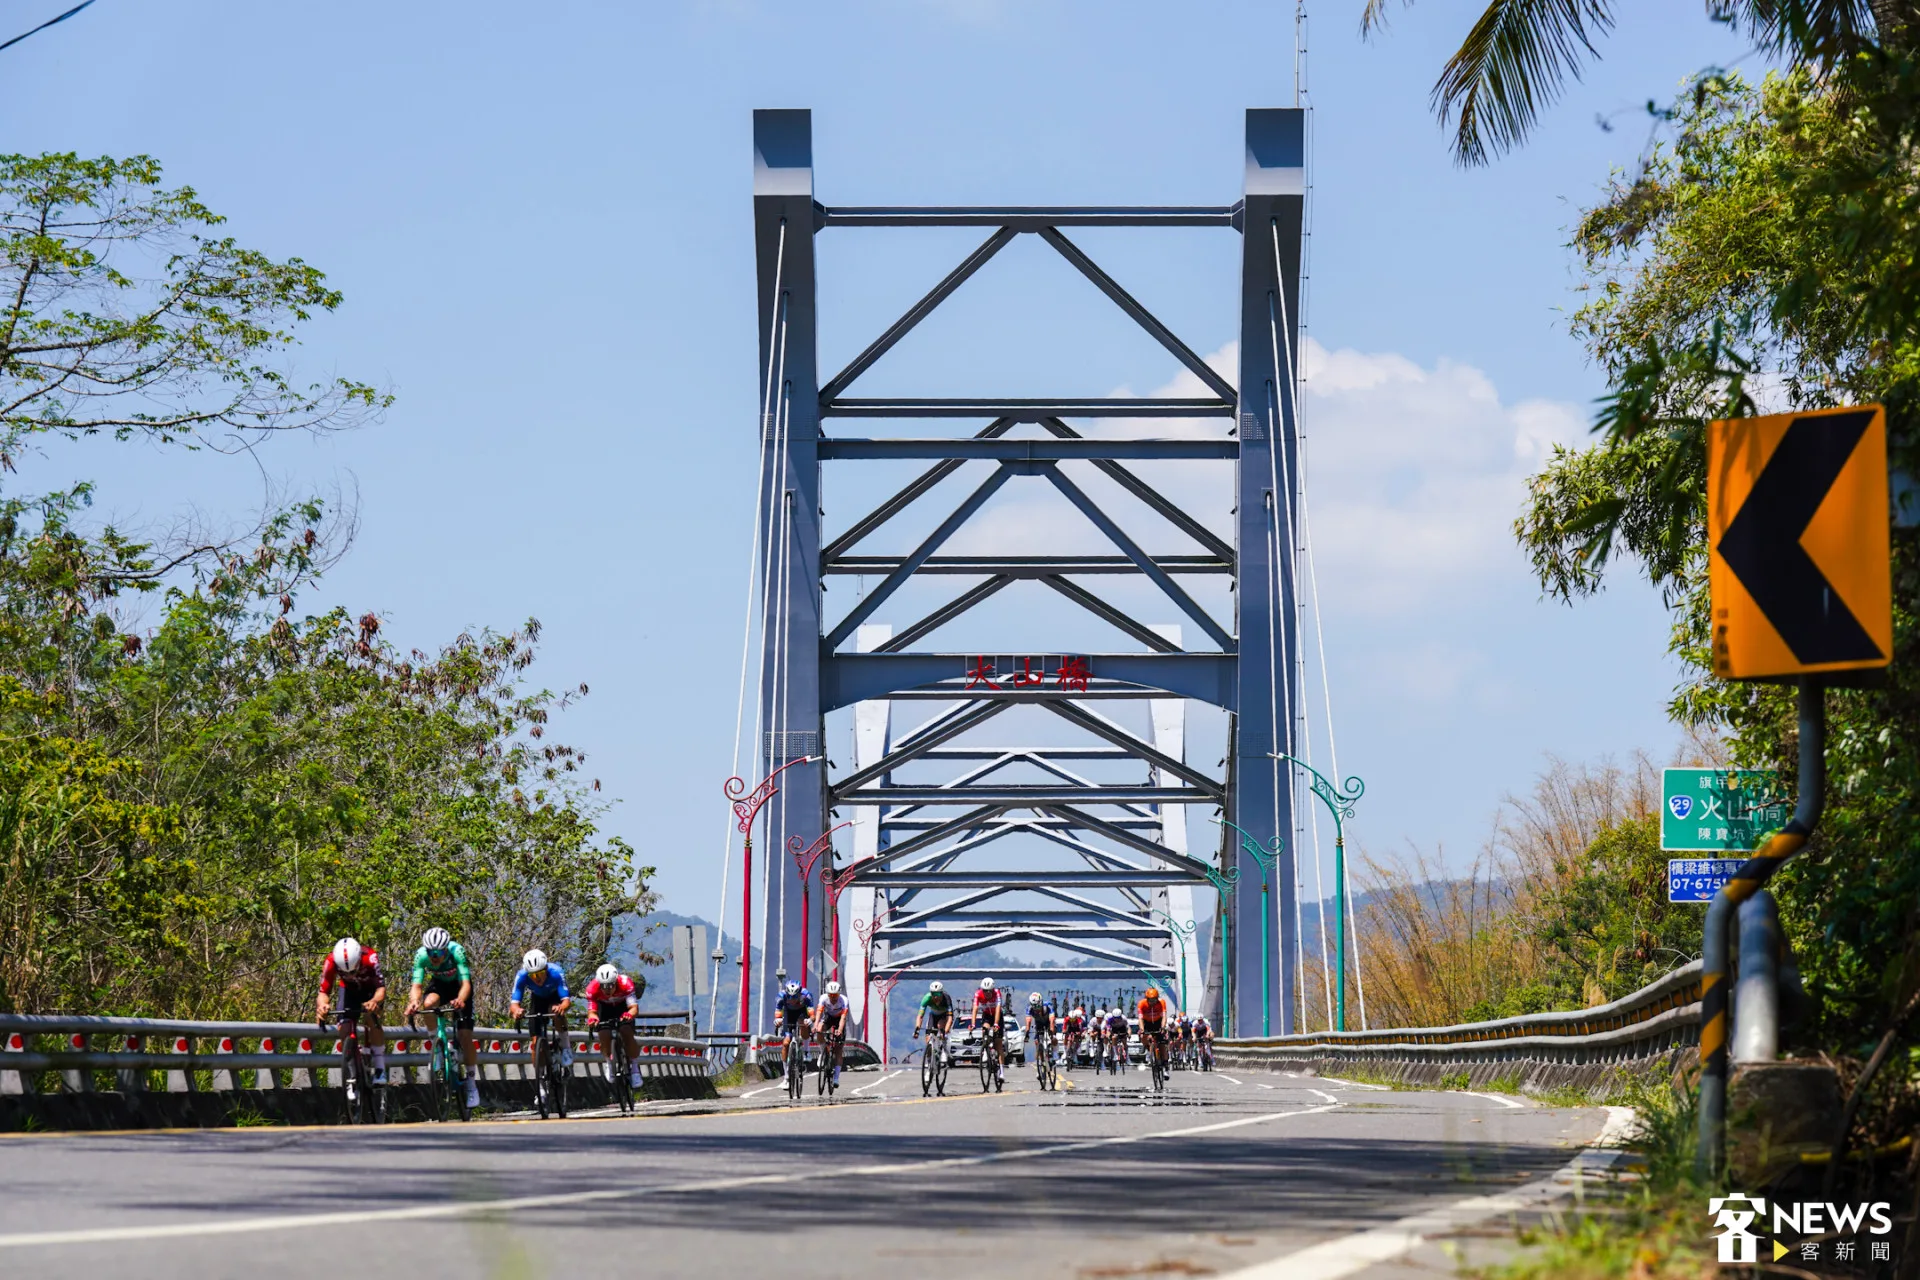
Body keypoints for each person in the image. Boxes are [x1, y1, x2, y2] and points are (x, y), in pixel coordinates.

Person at [404, 926, 479, 1110]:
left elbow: (466, 983)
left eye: (438, 952)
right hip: (440, 986)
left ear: (445, 949)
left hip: (460, 987)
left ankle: (471, 1084)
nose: (434, 956)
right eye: (431, 952)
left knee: (465, 1036)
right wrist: (414, 1001)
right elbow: (417, 985)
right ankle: (438, 1046)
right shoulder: (421, 955)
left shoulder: (457, 952)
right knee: (428, 1005)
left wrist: (461, 999)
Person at [316, 938, 388, 1085]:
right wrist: (323, 1005)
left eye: (353, 971)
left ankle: (380, 1068)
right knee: (344, 1029)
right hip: (349, 991)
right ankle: (352, 1074)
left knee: (371, 1017)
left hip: (371, 991)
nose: (350, 976)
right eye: (344, 973)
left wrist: (375, 1002)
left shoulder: (370, 957)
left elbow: (381, 988)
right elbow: (323, 992)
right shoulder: (331, 961)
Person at [509, 949, 573, 1076]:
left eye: (541, 973)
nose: (537, 978)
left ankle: (566, 1047)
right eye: (533, 975)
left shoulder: (556, 972)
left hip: (554, 997)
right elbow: (514, 1003)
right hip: (537, 1000)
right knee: (536, 1043)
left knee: (555, 1011)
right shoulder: (522, 976)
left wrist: (562, 1008)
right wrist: (517, 1011)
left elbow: (566, 1001)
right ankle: (541, 1085)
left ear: (546, 968)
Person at [583, 962, 643, 1090]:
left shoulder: (626, 983)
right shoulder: (592, 989)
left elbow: (633, 1008)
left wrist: (629, 1015)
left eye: (610, 985)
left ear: (616, 981)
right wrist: (593, 1018)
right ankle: (609, 1063)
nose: (607, 989)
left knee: (626, 1031)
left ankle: (635, 1067)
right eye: (603, 986)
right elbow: (592, 1012)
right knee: (604, 1034)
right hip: (604, 1009)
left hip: (623, 1008)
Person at [814, 980, 851, 1086]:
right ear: (827, 994)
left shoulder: (844, 1000)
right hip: (828, 1017)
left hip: (839, 1019)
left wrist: (839, 1029)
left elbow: (843, 1017)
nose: (833, 997)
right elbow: (819, 1012)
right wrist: (816, 1025)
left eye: (835, 995)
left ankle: (836, 1078)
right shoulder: (823, 998)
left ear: (839, 994)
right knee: (820, 1029)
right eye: (831, 995)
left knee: (839, 1049)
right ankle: (822, 1052)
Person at [971, 976, 1006, 1086]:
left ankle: (1001, 1072)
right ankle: (986, 1050)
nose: (987, 993)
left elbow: (998, 1009)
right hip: (987, 1015)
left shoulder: (997, 993)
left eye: (989, 991)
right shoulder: (978, 994)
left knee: (998, 1045)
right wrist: (972, 1024)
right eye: (985, 991)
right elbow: (975, 1008)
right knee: (984, 1029)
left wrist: (996, 1024)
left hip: (997, 1015)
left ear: (992, 990)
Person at [774, 981, 814, 1074]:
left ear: (799, 993)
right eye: (790, 996)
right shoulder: (781, 997)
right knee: (786, 1043)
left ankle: (806, 1051)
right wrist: (777, 1020)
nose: (792, 999)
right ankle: (786, 1075)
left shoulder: (806, 996)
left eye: (795, 996)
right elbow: (778, 1013)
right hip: (789, 1014)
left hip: (801, 1011)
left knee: (803, 1023)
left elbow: (812, 1014)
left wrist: (810, 1020)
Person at [915, 980, 955, 1063]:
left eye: (938, 994)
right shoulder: (927, 998)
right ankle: (930, 1061)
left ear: (942, 993)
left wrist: (945, 1031)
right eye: (933, 994)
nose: (936, 997)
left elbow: (950, 1018)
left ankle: (943, 1049)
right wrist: (917, 1029)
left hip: (944, 1016)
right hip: (933, 1016)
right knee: (928, 1038)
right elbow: (920, 1016)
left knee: (940, 1026)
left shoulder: (946, 998)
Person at [1136, 986, 1170, 1073]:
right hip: (1147, 1023)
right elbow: (1140, 1018)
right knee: (1143, 1036)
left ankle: (1166, 1066)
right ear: (1146, 998)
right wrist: (1142, 1029)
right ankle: (1149, 1049)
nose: (1152, 1002)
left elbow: (1164, 1016)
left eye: (1154, 999)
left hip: (1158, 1022)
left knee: (1162, 1044)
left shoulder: (1162, 1002)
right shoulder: (1141, 1004)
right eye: (1150, 1000)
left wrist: (1163, 1027)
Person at [1024, 993, 1056, 1072]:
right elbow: (1028, 1022)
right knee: (1038, 1043)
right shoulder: (1029, 1008)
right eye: (1033, 1006)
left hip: (1048, 1021)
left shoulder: (1048, 1005)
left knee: (1052, 1036)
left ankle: (1054, 1055)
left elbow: (1052, 1020)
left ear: (1041, 1002)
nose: (1035, 1008)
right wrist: (1027, 1034)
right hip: (1039, 1023)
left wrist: (1051, 1032)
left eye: (1037, 1006)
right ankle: (1042, 1063)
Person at [1103, 1005, 1130, 1074]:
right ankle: (1115, 1054)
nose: (1116, 1019)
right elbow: (1108, 1029)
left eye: (1118, 1018)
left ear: (1121, 1016)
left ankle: (1127, 1057)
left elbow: (1128, 1028)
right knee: (1113, 1038)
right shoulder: (1110, 1019)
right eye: (1115, 1018)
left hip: (1122, 1029)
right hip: (1114, 1030)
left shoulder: (1124, 1019)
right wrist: (1108, 1035)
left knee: (1124, 1041)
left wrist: (1129, 1034)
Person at [1062, 1004, 1086, 1069]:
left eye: (1073, 1019)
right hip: (1069, 1028)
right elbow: (1064, 1027)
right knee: (1066, 1036)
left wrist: (1080, 1033)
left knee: (1077, 1039)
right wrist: (1064, 1031)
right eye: (1071, 1019)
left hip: (1077, 1029)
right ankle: (1065, 1051)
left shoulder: (1079, 1021)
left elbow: (1081, 1029)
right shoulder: (1066, 1019)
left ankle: (1074, 1052)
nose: (1072, 1021)